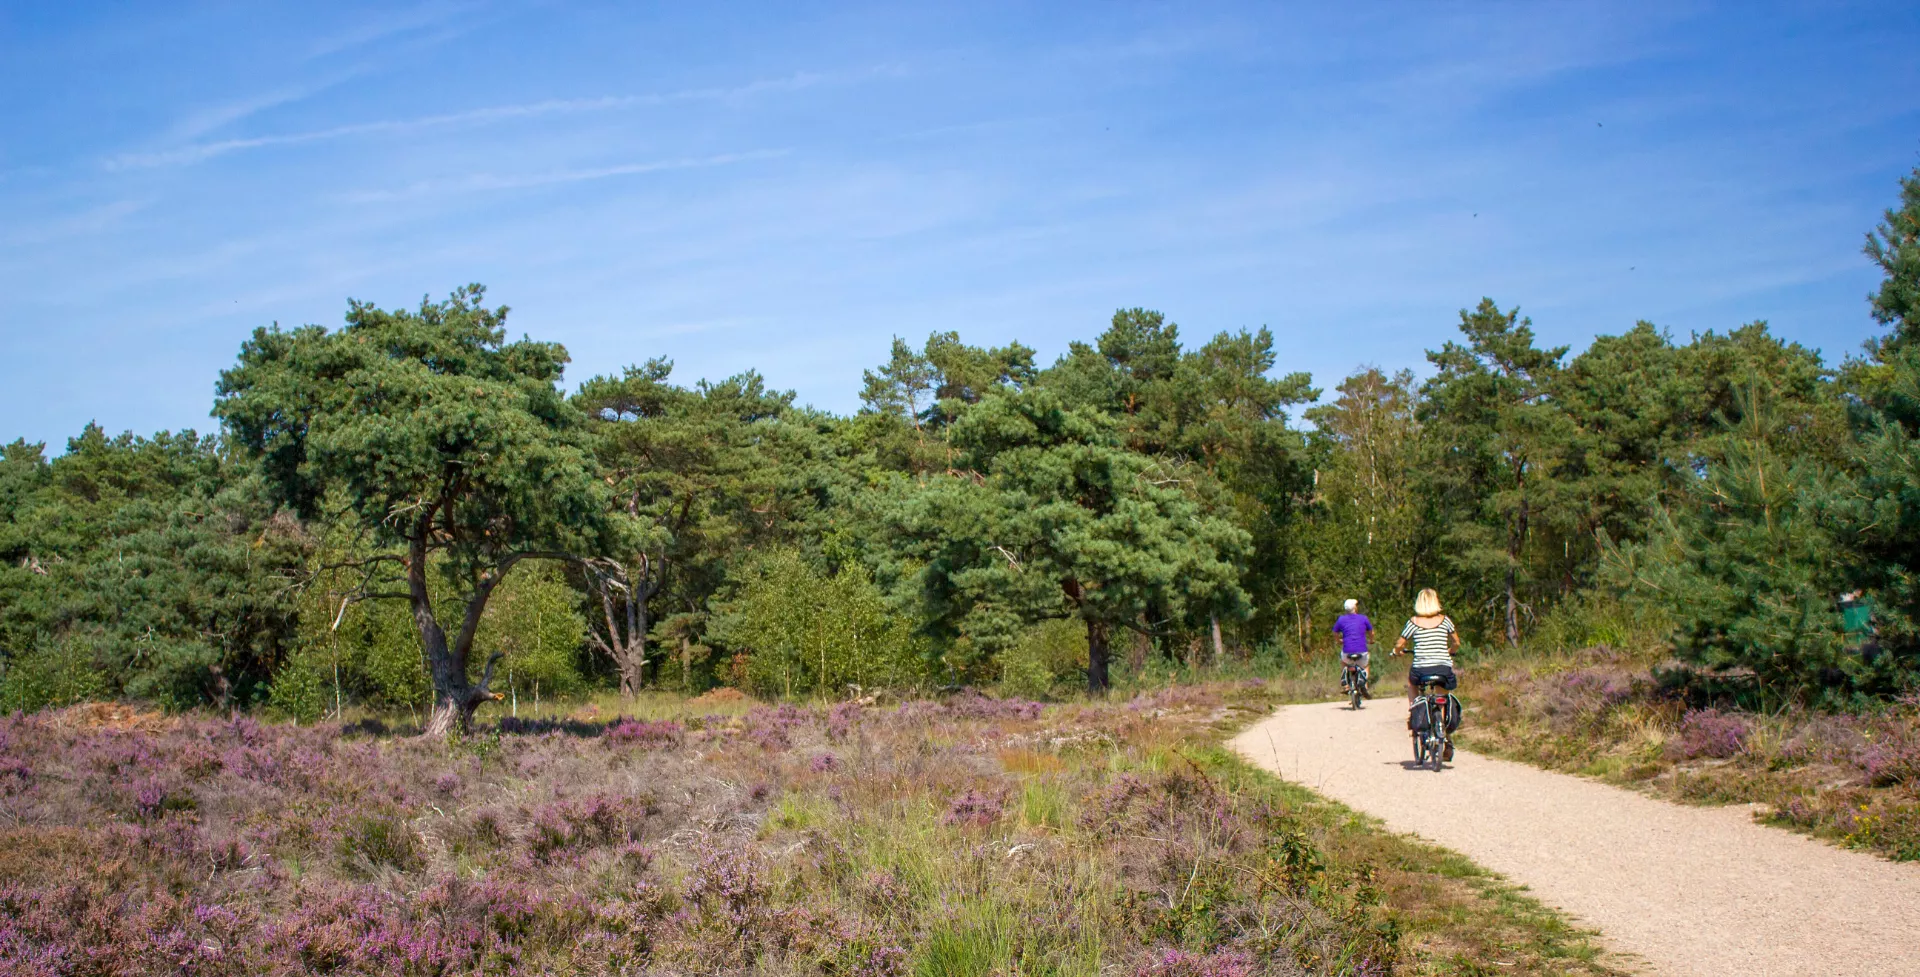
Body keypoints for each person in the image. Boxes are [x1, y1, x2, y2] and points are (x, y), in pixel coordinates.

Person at [1390, 588, 1460, 701]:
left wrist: (1396, 652)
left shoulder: (1414, 622)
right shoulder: (1445, 620)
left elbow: (1399, 644)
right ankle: (1441, 716)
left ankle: (1413, 709)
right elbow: (1456, 642)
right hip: (1442, 667)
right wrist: (1451, 651)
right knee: (1441, 696)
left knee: (1411, 683)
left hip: (1421, 669)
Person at [1331, 598, 1373, 696]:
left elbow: (1335, 632)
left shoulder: (1341, 619)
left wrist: (1338, 641)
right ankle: (1365, 686)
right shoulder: (1363, 618)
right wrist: (1371, 640)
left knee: (1344, 663)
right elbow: (1371, 632)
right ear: (1355, 608)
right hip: (1362, 651)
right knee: (1365, 666)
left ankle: (1346, 686)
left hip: (1347, 651)